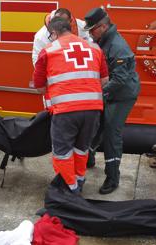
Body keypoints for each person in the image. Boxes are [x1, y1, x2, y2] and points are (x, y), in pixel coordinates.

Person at [32, 16, 109, 194]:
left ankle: (67, 190)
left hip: (66, 111)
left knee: (62, 152)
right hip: (93, 110)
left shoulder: (48, 51)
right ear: (71, 29)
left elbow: (40, 88)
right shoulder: (94, 48)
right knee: (81, 148)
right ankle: (79, 181)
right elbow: (105, 80)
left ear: (53, 33)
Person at [83, 7, 141, 194]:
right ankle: (89, 158)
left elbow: (120, 80)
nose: (90, 33)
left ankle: (112, 177)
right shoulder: (103, 41)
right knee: (96, 125)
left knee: (111, 134)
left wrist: (97, 93)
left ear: (102, 27)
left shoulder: (117, 47)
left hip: (122, 96)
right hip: (109, 93)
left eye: (92, 29)